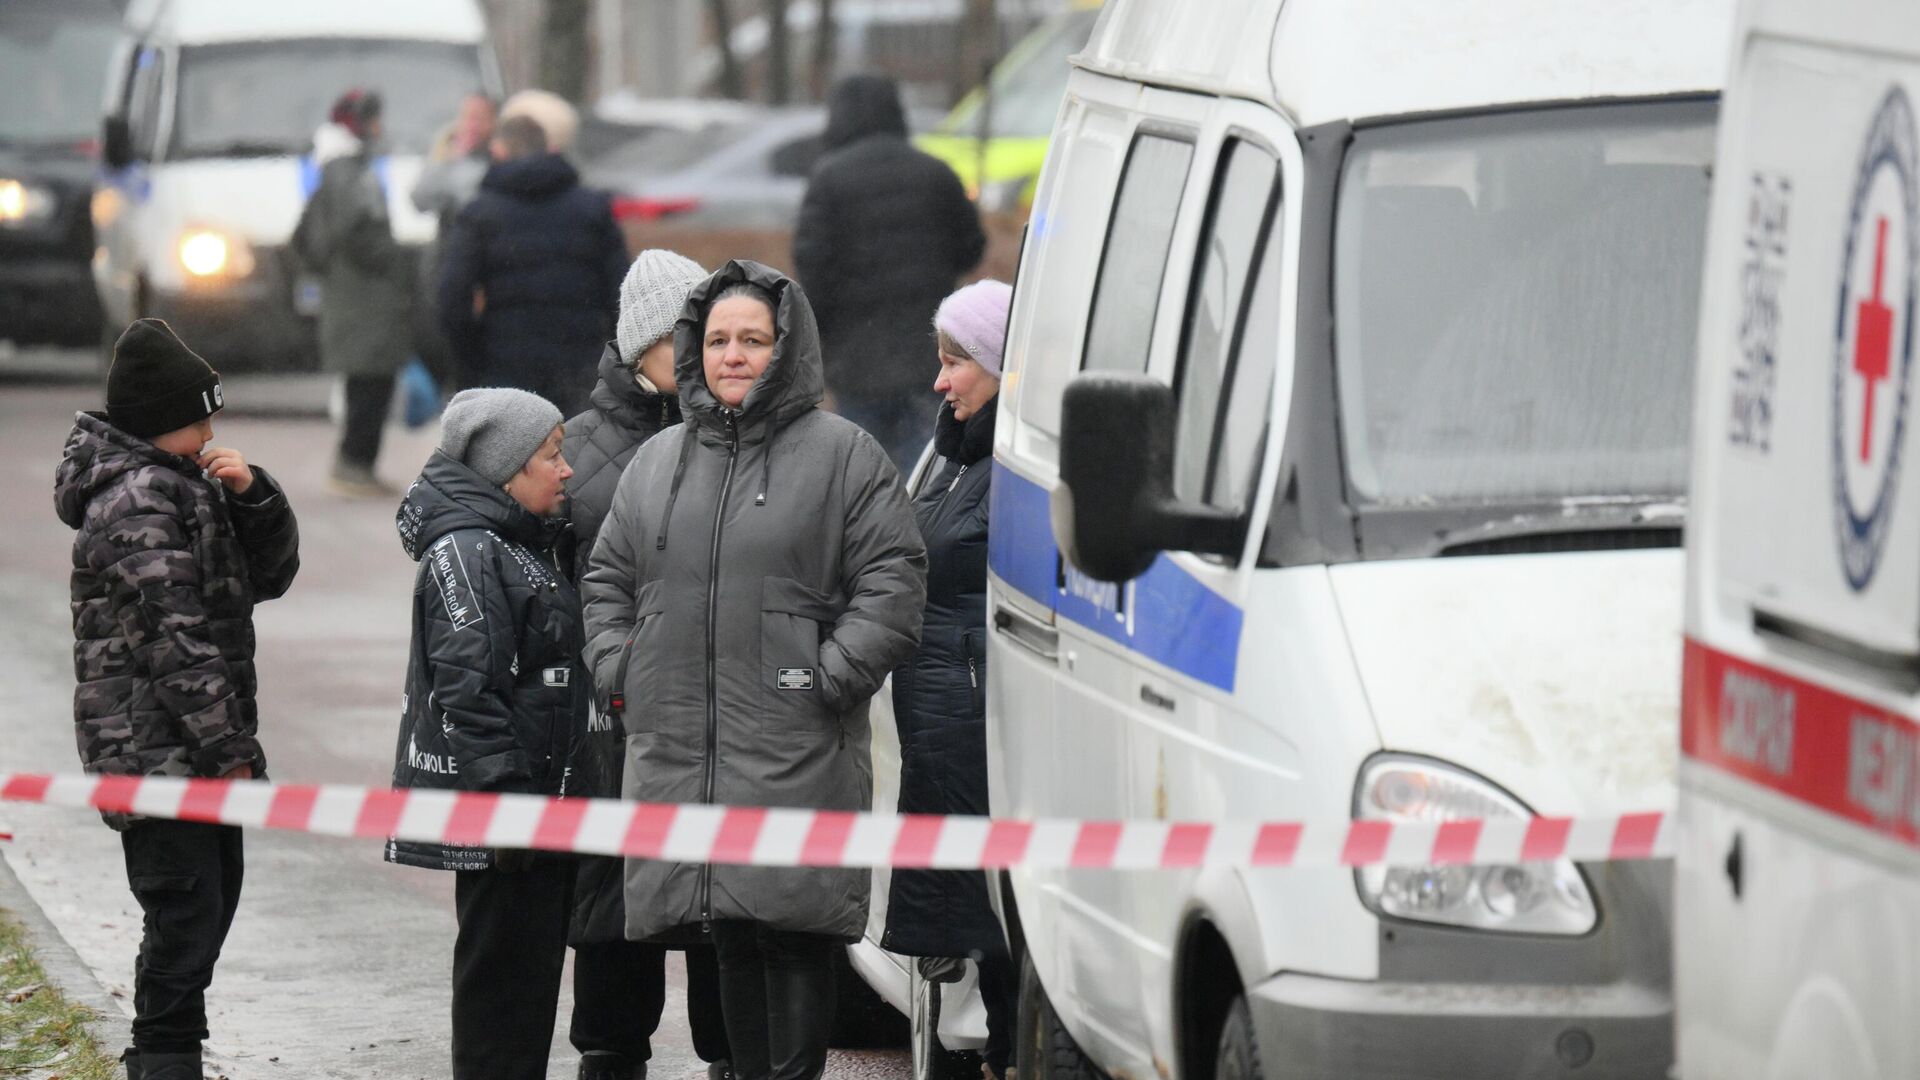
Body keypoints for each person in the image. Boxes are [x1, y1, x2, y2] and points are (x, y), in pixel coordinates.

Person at [583, 260, 927, 1080]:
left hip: (794, 741)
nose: (733, 355)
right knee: (730, 931)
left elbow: (894, 580)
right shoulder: (659, 461)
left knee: (793, 930)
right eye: (718, 339)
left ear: (786, 350)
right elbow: (606, 580)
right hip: (682, 748)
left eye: (753, 339)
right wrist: (623, 670)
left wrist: (826, 676)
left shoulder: (845, 456)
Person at [54, 318, 301, 1080]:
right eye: (199, 420)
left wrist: (254, 495)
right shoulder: (132, 504)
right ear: (163, 422)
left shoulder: (184, 484)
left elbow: (269, 576)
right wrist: (231, 754)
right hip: (154, 754)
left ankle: (168, 1050)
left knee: (209, 906)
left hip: (193, 749)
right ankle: (162, 1059)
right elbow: (176, 640)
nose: (209, 433)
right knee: (185, 912)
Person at [561, 249, 735, 1080]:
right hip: (614, 724)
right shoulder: (578, 451)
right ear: (642, 347)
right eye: (684, 336)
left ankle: (725, 1058)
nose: (704, 352)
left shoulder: (738, 436)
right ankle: (609, 1057)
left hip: (716, 721)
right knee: (611, 912)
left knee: (719, 908)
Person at [387, 388, 588, 1080]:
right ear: (506, 470)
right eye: (551, 457)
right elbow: (467, 688)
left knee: (525, 990)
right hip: (510, 820)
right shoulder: (471, 550)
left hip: (535, 811)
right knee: (500, 990)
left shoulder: (514, 540)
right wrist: (507, 802)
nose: (566, 471)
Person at [881, 281, 1016, 1080]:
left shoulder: (1015, 467)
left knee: (998, 926)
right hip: (945, 724)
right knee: (971, 924)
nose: (941, 381)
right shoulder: (954, 452)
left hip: (978, 725)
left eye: (956, 361)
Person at [793, 74, 986, 473]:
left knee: (860, 477)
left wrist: (820, 340)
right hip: (929, 356)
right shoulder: (935, 173)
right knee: (930, 473)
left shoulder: (828, 180)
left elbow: (814, 273)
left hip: (857, 360)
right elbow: (971, 248)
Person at [438, 114, 628, 416]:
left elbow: (452, 300)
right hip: (582, 370)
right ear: (550, 149)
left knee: (514, 459)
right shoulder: (592, 210)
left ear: (498, 152)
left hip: (505, 369)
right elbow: (621, 295)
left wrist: (471, 363)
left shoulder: (480, 214)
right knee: (577, 457)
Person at [292, 89, 414, 497]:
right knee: (369, 384)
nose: (380, 127)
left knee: (368, 382)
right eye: (374, 119)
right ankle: (354, 465)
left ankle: (358, 464)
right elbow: (356, 230)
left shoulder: (338, 167)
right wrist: (394, 259)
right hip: (364, 300)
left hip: (355, 298)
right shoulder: (348, 170)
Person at [412, 92, 498, 393]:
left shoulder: (499, 159)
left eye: (479, 117)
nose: (470, 125)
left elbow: (471, 199)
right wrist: (450, 160)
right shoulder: (447, 155)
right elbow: (419, 198)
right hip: (449, 269)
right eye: (466, 117)